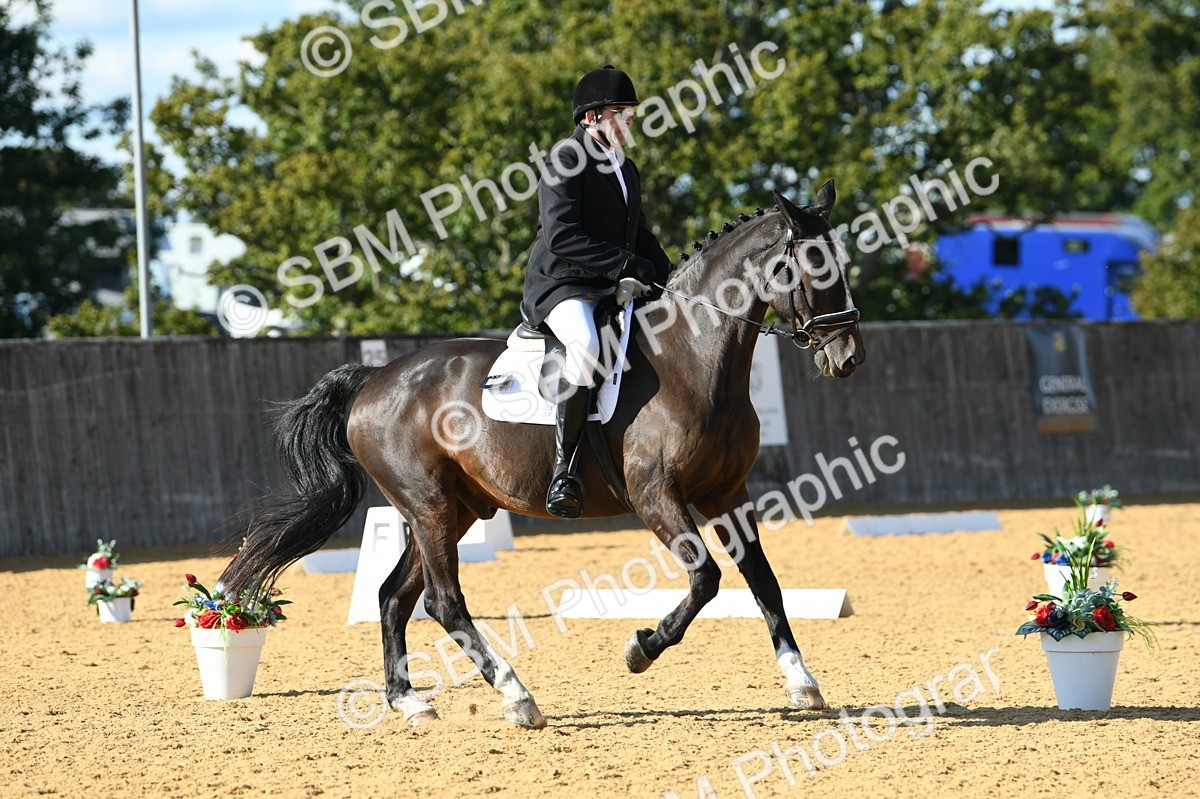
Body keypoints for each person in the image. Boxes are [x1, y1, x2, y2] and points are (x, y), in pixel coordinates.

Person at [522, 65, 672, 519]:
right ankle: (564, 470)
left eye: (630, 113)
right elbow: (561, 236)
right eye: (620, 112)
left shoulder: (626, 167)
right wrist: (627, 264)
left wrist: (670, 275)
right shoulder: (566, 159)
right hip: (563, 284)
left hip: (608, 285)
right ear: (591, 117)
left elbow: (639, 236)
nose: (629, 121)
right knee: (586, 344)